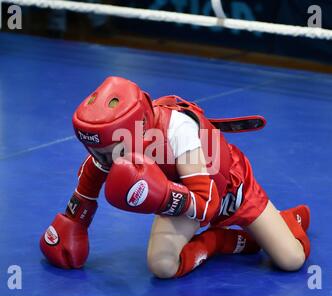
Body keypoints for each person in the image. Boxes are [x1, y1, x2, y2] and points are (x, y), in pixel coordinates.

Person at [40, 76, 310, 278]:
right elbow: (93, 172)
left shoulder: (177, 130)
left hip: (230, 192)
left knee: (291, 260)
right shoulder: (112, 148)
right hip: (184, 199)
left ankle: (287, 220)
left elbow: (208, 205)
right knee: (162, 266)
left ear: (136, 131)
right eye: (97, 151)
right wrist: (74, 222)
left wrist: (162, 196)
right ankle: (217, 241)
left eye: (109, 152)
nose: (104, 159)